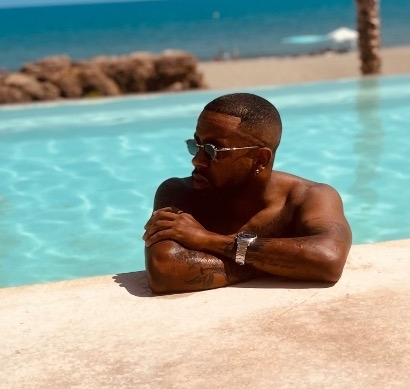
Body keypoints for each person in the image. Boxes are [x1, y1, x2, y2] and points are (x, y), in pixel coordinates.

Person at [143, 92, 352, 294]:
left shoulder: (310, 197)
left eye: (212, 150)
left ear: (260, 159)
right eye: (195, 145)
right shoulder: (180, 192)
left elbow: (328, 258)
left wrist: (210, 240)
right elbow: (164, 270)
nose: (197, 160)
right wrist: (281, 262)